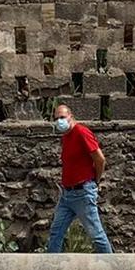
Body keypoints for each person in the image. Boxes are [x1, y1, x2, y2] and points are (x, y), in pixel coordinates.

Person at [46, 102, 113, 253]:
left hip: (82, 192)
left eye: (62, 117)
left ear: (70, 116)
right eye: (56, 118)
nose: (59, 121)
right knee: (56, 233)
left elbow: (100, 159)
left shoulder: (81, 132)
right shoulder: (66, 136)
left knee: (96, 235)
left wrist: (95, 180)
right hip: (67, 194)